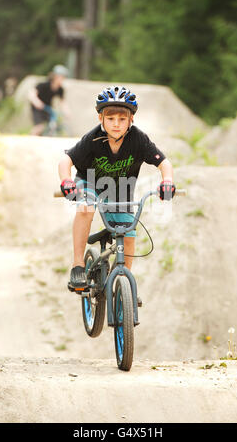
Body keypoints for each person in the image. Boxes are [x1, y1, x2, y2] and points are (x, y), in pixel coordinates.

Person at [58, 86, 175, 290]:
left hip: (119, 191)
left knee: (129, 235)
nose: (116, 124)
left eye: (122, 119)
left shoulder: (138, 139)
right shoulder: (92, 138)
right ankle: (78, 264)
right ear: (100, 118)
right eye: (110, 119)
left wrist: (167, 181)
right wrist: (67, 181)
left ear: (131, 120)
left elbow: (164, 163)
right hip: (89, 182)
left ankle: (123, 283)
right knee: (85, 208)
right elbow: (65, 161)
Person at [28, 64, 70, 136]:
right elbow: (31, 94)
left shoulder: (60, 89)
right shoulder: (44, 85)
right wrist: (36, 102)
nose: (62, 80)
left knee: (53, 123)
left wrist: (66, 111)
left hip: (47, 107)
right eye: (61, 77)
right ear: (56, 76)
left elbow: (63, 102)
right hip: (37, 108)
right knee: (39, 127)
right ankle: (29, 139)